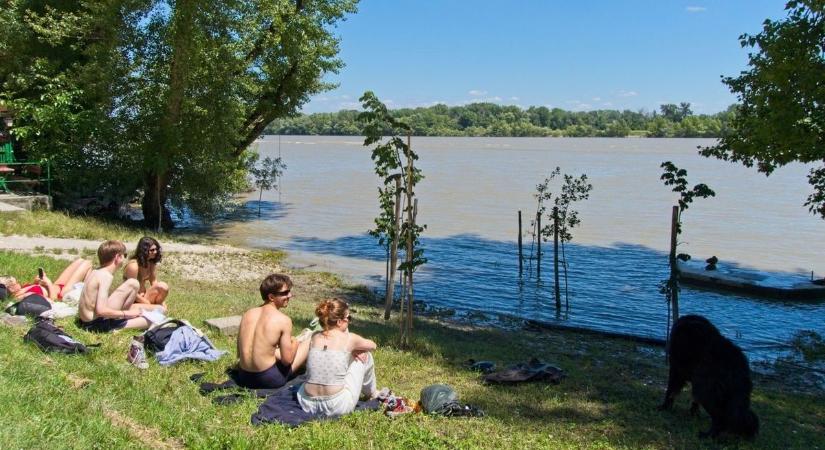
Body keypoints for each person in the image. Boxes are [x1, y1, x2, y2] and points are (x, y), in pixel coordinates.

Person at [297, 298, 378, 417]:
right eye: (348, 318)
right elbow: (373, 345)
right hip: (336, 406)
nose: (349, 321)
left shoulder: (314, 337)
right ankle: (372, 393)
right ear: (339, 322)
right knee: (366, 355)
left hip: (307, 403)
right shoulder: (349, 339)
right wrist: (356, 349)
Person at [235, 273, 311, 389]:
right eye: (285, 293)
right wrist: (295, 342)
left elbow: (239, 353)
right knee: (309, 340)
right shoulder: (283, 320)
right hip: (267, 380)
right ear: (271, 297)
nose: (290, 295)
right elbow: (287, 361)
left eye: (289, 291)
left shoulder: (248, 314)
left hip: (243, 376)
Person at [77, 240, 152, 333]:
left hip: (86, 320)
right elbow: (101, 310)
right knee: (150, 321)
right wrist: (126, 313)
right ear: (118, 257)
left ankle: (119, 319)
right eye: (124, 255)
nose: (125, 258)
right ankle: (117, 325)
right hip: (95, 325)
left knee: (133, 283)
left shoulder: (97, 271)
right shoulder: (105, 276)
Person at [0, 258, 92, 302]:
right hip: (62, 293)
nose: (18, 282)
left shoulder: (21, 290)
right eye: (15, 282)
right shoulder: (24, 295)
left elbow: (38, 289)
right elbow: (53, 301)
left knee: (80, 261)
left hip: (57, 285)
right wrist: (48, 283)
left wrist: (37, 282)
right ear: (11, 288)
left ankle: (87, 291)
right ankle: (89, 294)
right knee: (87, 263)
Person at [123, 236, 170, 309]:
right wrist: (147, 303)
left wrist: (162, 302)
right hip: (132, 299)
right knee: (159, 309)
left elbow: (153, 281)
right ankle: (154, 309)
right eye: (152, 250)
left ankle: (155, 308)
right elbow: (131, 290)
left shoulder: (151, 263)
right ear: (144, 250)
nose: (155, 252)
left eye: (156, 249)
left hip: (143, 296)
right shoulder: (133, 266)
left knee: (163, 286)